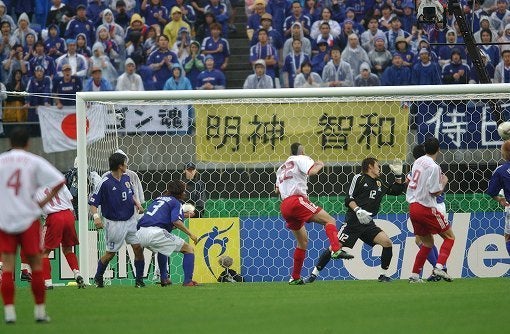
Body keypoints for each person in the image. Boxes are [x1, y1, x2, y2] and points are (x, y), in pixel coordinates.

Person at [0, 126, 65, 323]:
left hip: (6, 219)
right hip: (29, 218)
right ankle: (39, 312)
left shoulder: (1, 161)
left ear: (10, 143)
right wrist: (41, 204)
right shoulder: (34, 161)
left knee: (8, 267)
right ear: (28, 143)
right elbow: (60, 181)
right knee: (36, 265)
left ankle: (10, 314)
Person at [306, 157, 405, 283]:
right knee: (334, 248)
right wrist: (358, 210)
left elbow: (396, 191)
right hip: (353, 222)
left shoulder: (379, 182)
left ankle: (383, 275)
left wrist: (398, 175)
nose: (379, 168)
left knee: (387, 243)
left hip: (368, 223)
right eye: (377, 166)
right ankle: (313, 275)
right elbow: (348, 198)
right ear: (370, 167)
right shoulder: (359, 178)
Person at [275, 143, 353, 285]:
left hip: (284, 205)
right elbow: (312, 172)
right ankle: (336, 249)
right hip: (296, 201)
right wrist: (319, 164)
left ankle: (295, 277)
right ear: (302, 150)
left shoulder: (281, 168)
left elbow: (277, 190)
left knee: (302, 242)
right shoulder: (301, 158)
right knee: (330, 220)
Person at [89, 152, 145, 288]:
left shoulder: (126, 178)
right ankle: (98, 277)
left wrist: (137, 204)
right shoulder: (105, 182)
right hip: (114, 223)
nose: (127, 165)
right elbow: (93, 203)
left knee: (138, 248)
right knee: (110, 254)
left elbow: (130, 194)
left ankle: (139, 281)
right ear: (120, 166)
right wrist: (96, 218)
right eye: (125, 163)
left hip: (131, 220)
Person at [406, 137, 454, 283]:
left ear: (425, 149)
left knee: (427, 243)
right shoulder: (434, 167)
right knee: (450, 237)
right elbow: (434, 192)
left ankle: (414, 276)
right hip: (426, 207)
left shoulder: (417, 162)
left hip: (413, 207)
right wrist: (444, 183)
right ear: (439, 150)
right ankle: (440, 267)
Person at [136, 179, 199, 286]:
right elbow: (176, 221)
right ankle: (188, 281)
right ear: (179, 192)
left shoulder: (158, 199)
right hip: (155, 233)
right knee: (189, 249)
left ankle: (163, 278)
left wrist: (184, 215)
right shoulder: (176, 202)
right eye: (184, 191)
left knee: (163, 248)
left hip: (140, 233)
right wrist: (191, 234)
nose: (185, 193)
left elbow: (162, 220)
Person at [34, 184, 84, 290]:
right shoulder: (57, 181)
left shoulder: (34, 187)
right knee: (68, 249)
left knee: (44, 253)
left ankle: (48, 282)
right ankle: (77, 273)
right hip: (68, 215)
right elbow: (70, 199)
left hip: (54, 217)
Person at [487, 140, 510, 257]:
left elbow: (491, 192)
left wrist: (499, 199)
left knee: (508, 237)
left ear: (504, 154)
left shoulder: (500, 170)